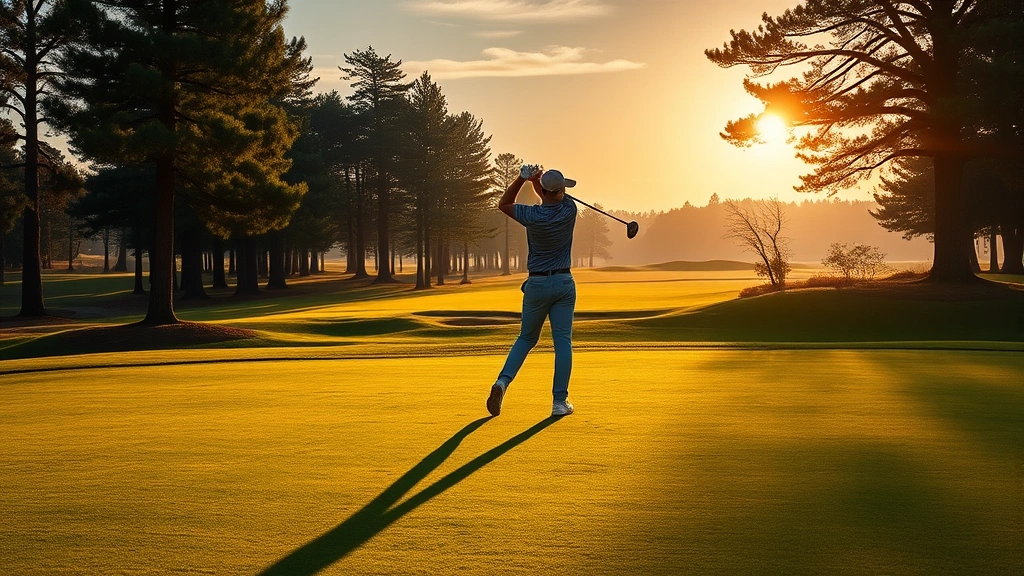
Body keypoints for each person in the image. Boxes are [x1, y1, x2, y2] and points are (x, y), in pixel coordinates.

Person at [487, 165, 578, 417]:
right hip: (563, 282)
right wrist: (538, 182)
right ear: (560, 191)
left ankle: (502, 382)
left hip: (536, 285)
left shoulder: (532, 216)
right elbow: (553, 198)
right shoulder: (570, 210)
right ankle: (559, 402)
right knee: (562, 342)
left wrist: (523, 179)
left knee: (526, 339)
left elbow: (504, 204)